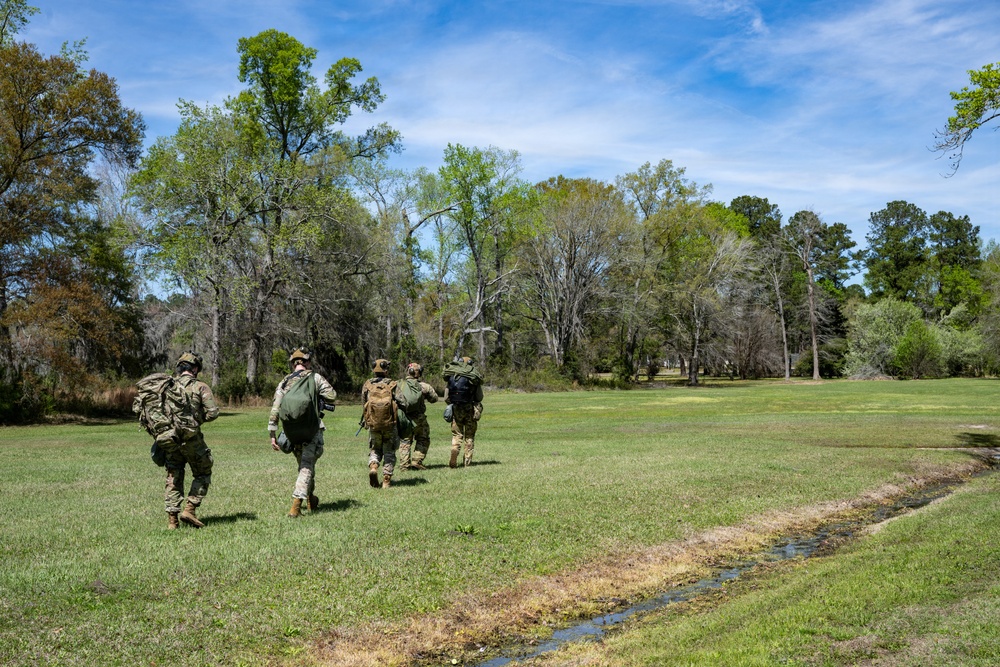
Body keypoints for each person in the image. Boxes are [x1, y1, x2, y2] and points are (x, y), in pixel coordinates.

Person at [268, 348, 337, 517]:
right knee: (307, 465)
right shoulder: (315, 377)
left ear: (293, 364)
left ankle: (311, 499)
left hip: (291, 431)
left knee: (304, 465)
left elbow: (275, 408)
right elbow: (332, 395)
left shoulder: (284, 382)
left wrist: (272, 433)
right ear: (307, 362)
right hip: (311, 428)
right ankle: (296, 505)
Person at [166, 352, 219, 529]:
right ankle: (190, 509)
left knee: (174, 475)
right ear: (194, 369)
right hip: (191, 439)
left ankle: (172, 521)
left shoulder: (167, 386)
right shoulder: (200, 387)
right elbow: (213, 413)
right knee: (203, 471)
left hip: (170, 438)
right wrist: (196, 420)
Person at [361, 359, 399, 488]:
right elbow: (403, 402)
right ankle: (386, 479)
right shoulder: (393, 384)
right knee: (389, 450)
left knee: (375, 448)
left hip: (373, 424)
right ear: (386, 370)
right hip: (390, 425)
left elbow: (363, 404)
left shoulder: (367, 385)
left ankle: (373, 466)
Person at [397, 363, 439, 470]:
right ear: (418, 373)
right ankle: (417, 460)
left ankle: (404, 465)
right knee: (423, 438)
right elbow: (434, 399)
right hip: (419, 418)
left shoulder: (398, 385)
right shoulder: (423, 386)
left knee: (405, 441)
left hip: (403, 418)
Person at [443, 356, 484, 468]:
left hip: (456, 409)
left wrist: (453, 404)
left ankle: (454, 449)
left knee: (457, 434)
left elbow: (446, 397)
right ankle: (467, 461)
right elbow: (479, 397)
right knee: (469, 436)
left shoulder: (453, 376)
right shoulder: (473, 377)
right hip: (469, 409)